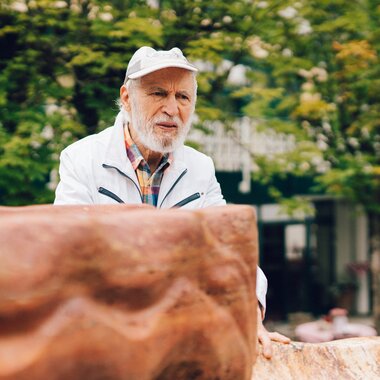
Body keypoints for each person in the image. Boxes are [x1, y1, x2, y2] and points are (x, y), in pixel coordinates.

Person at [54, 46, 290, 357]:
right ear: (126, 98)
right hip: (102, 335)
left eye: (183, 97)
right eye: (157, 93)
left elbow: (229, 247)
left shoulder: (200, 167)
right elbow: (67, 251)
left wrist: (247, 309)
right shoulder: (82, 158)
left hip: (177, 334)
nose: (171, 108)